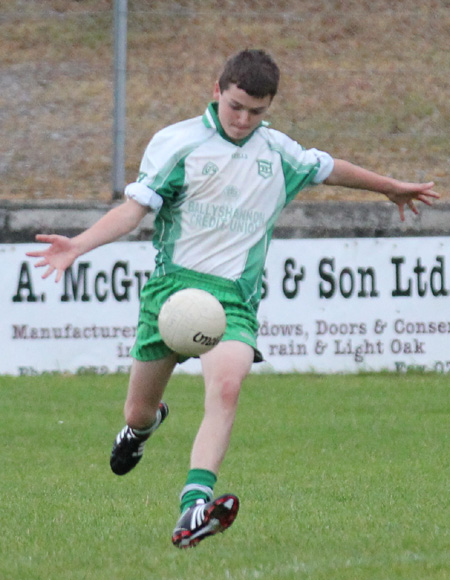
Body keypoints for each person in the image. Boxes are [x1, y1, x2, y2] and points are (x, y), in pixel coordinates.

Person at [27, 49, 440, 549]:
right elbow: (133, 211)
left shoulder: (277, 152)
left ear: (269, 108)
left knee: (225, 391)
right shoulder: (178, 143)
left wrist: (391, 187)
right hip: (171, 293)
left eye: (257, 112)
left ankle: (192, 510)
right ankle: (141, 430)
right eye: (236, 107)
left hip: (233, 303)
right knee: (137, 410)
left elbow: (330, 168)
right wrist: (78, 244)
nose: (244, 120)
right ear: (217, 90)